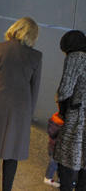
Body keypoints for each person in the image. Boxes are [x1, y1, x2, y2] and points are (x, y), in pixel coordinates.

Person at [0, 17, 42, 191]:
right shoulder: (36, 56)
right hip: (21, 108)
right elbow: (35, 88)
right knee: (12, 153)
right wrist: (30, 112)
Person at [53, 30, 86, 191]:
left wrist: (57, 97)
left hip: (77, 117)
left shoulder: (75, 57)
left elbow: (65, 90)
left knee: (65, 158)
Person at [45, 109, 63, 188]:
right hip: (56, 149)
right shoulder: (63, 124)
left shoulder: (55, 118)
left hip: (51, 146)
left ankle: (59, 178)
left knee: (56, 163)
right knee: (54, 164)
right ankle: (48, 178)